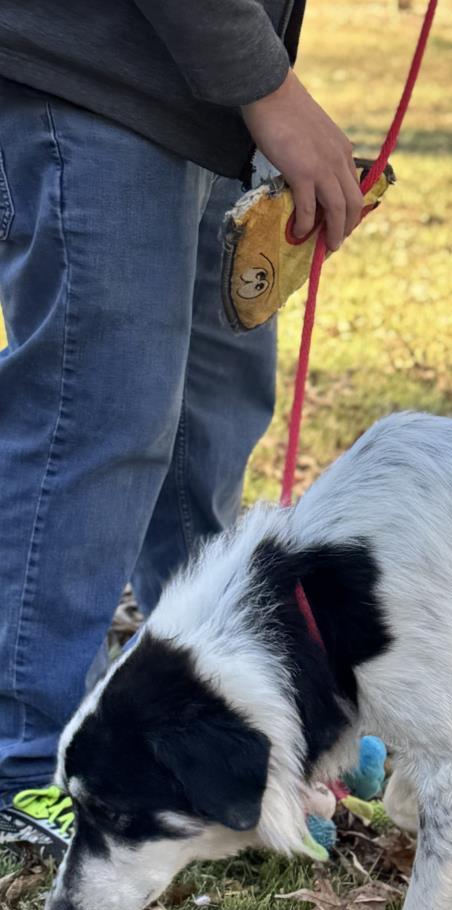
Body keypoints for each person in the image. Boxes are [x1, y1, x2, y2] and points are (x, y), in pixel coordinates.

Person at [0, 1, 365, 856]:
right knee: (89, 418)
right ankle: (21, 764)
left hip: (200, 101)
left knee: (207, 428)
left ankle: (213, 718)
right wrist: (270, 89)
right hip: (89, 72)